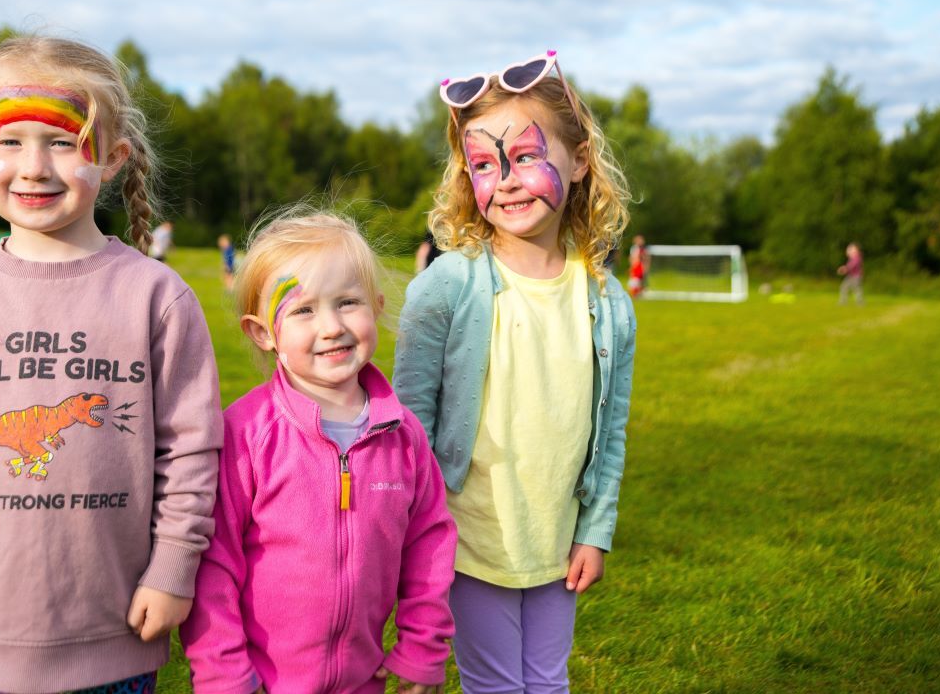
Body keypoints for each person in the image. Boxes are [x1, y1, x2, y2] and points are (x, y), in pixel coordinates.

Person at [0, 35, 223, 694]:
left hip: (120, 630)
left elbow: (192, 448)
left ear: (113, 158)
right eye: (10, 141)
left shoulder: (157, 297)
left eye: (63, 142)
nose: (34, 167)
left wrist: (174, 566)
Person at [395, 50, 636, 692]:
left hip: (557, 542)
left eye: (525, 156)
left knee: (548, 682)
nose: (503, 179)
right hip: (470, 541)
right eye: (482, 164)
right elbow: (409, 422)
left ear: (579, 160)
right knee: (498, 684)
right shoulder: (445, 287)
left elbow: (609, 432)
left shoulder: (608, 302)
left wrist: (596, 530)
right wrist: (414, 536)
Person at [181, 210, 457, 694]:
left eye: (347, 302)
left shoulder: (403, 435)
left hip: (362, 680)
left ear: (374, 306)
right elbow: (214, 563)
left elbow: (430, 545)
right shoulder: (247, 435)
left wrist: (422, 648)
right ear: (262, 332)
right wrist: (223, 675)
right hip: (262, 683)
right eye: (303, 310)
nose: (332, 327)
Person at [627, 234, 648, 299]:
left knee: (640, 280)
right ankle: (634, 293)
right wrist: (632, 266)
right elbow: (632, 258)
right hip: (636, 266)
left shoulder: (643, 249)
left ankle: (638, 292)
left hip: (639, 266)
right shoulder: (634, 248)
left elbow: (645, 258)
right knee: (635, 280)